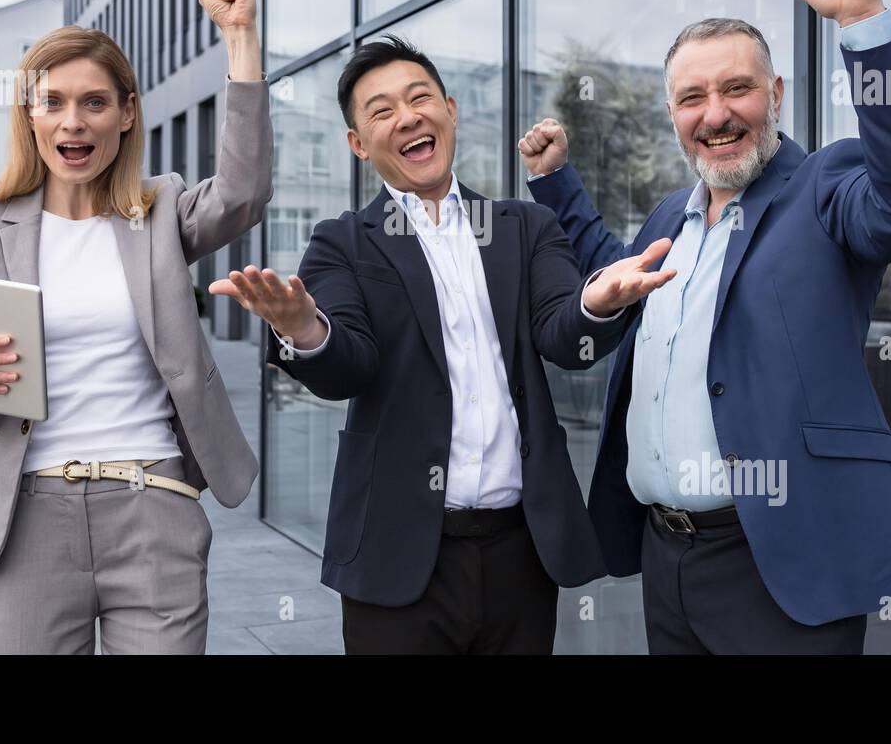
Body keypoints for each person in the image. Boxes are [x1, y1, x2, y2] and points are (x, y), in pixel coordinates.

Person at [519, 0, 891, 653]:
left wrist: (866, 25)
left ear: (776, 94)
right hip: (668, 558)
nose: (715, 114)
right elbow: (614, 273)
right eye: (692, 98)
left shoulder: (824, 187)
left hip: (781, 558)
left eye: (737, 90)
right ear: (673, 115)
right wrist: (556, 181)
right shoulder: (670, 217)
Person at [212, 36, 672, 653]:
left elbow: (563, 335)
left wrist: (598, 300)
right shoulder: (342, 241)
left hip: (521, 552)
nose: (407, 117)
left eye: (420, 98)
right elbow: (348, 364)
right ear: (356, 144)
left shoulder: (524, 226)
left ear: (450, 110)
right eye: (381, 111)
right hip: (398, 555)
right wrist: (303, 329)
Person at [0, 0, 272, 654]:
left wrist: (239, 37)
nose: (73, 121)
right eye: (53, 101)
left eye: (94, 102)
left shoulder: (162, 209)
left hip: (154, 505)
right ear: (29, 113)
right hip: (26, 520)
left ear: (127, 112)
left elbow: (243, 191)